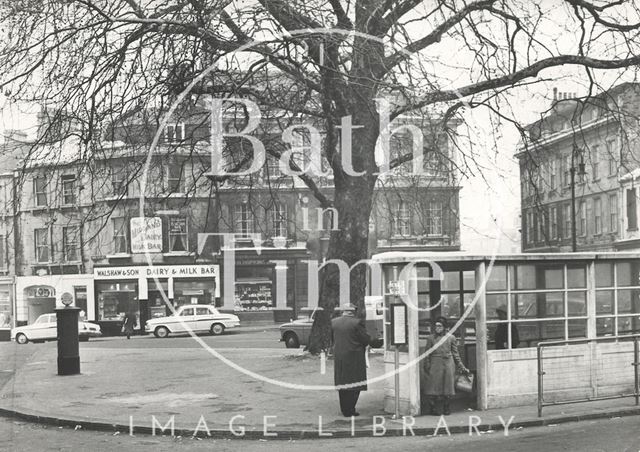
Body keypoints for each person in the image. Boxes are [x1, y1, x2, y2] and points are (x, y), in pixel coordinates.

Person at [331, 303, 382, 417]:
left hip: (340, 357)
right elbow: (364, 339)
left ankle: (345, 409)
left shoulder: (334, 322)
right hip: (354, 357)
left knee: (343, 384)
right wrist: (377, 342)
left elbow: (332, 339)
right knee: (356, 384)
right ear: (352, 311)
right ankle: (351, 409)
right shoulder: (357, 323)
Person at [422, 316, 471, 416]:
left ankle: (446, 407)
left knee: (447, 387)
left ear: (444, 327)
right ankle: (433, 408)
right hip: (435, 364)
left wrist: (461, 367)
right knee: (433, 387)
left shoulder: (451, 338)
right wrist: (426, 365)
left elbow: (455, 354)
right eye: (436, 326)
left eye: (440, 326)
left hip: (448, 364)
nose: (437, 328)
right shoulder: (431, 338)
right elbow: (427, 353)